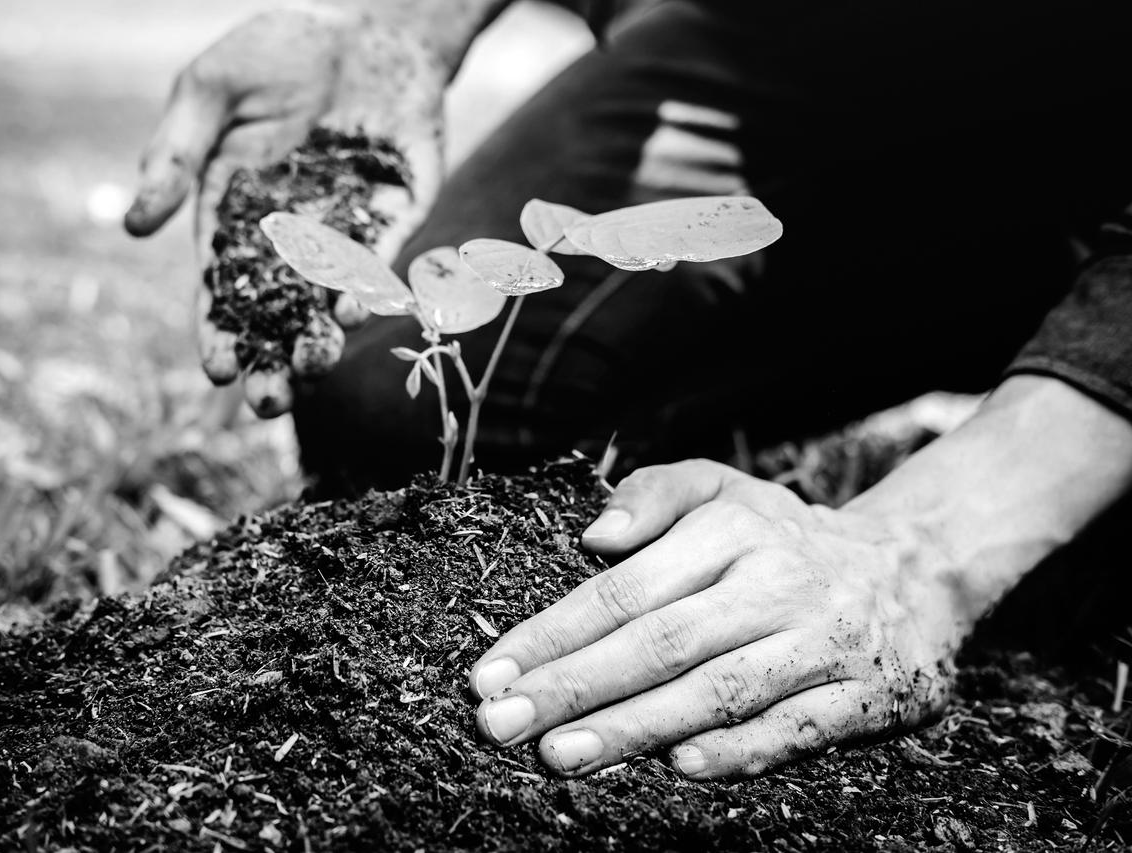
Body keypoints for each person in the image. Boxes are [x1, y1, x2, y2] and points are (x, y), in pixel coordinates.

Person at [124, 0, 1132, 780]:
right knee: (385, 399)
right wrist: (395, 30)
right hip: (795, 51)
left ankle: (1071, 392)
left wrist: (926, 545)